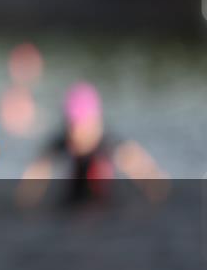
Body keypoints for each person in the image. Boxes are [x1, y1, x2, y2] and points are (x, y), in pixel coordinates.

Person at [17, 82, 168, 207]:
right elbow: (37, 172)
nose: (78, 136)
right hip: (73, 202)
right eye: (73, 128)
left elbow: (142, 167)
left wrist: (154, 186)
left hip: (106, 206)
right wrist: (26, 200)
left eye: (83, 127)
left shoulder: (109, 143)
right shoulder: (62, 142)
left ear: (96, 124)